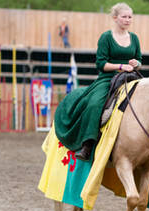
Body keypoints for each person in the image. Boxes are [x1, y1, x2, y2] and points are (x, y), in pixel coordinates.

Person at [54, 2, 142, 161]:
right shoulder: (106, 37)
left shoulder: (134, 38)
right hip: (109, 78)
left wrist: (137, 64)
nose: (128, 20)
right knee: (94, 104)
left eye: (130, 17)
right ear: (115, 18)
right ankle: (87, 144)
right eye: (124, 16)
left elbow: (139, 59)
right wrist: (121, 66)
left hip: (131, 77)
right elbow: (100, 64)